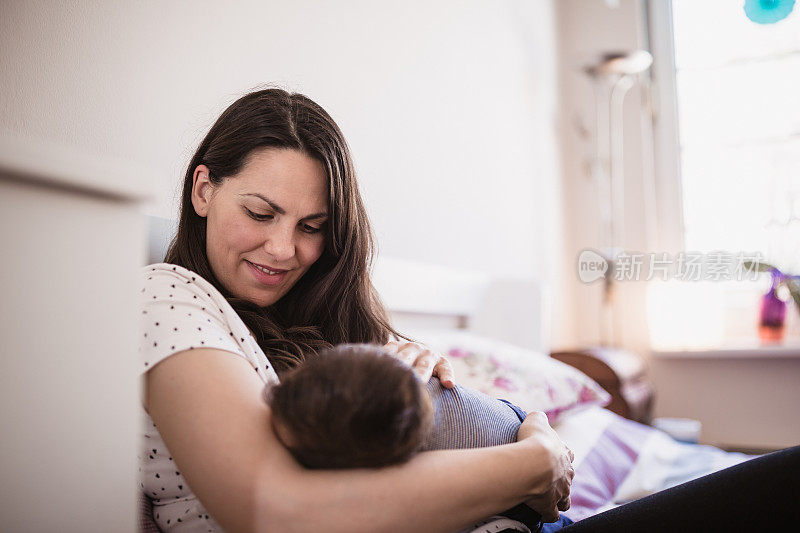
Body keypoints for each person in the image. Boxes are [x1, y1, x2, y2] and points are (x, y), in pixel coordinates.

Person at [140, 87, 574, 532]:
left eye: (311, 227)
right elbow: (270, 509)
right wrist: (536, 462)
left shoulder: (313, 322)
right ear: (203, 191)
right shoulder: (167, 296)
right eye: (260, 213)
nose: (283, 249)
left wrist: (451, 406)